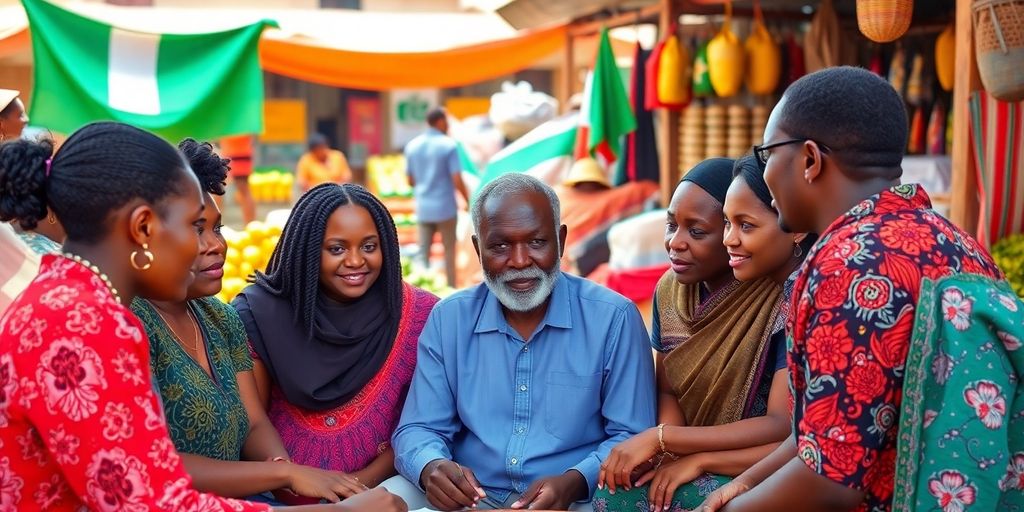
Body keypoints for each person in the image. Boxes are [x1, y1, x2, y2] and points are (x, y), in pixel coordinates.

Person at [0, 121, 407, 511]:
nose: (206, 246)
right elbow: (155, 503)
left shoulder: (72, 302)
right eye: (196, 225)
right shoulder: (83, 323)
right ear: (143, 227)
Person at [699, 66, 1004, 512]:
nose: (763, 174)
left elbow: (830, 481)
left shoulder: (845, 266)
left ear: (809, 160)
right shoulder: (961, 245)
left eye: (767, 155)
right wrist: (742, 486)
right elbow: (829, 430)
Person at [388, 172, 656, 511]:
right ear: (477, 248)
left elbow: (633, 435)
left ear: (561, 240)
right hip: (472, 497)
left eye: (536, 242)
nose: (519, 261)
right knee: (389, 497)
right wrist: (431, 467)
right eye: (500, 246)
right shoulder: (449, 318)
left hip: (577, 499)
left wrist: (575, 481)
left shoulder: (613, 318)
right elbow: (419, 426)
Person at [132, 139, 371, 504]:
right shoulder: (132, 323)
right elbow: (151, 463)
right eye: (198, 229)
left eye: (219, 227)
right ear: (148, 231)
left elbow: (254, 423)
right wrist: (285, 473)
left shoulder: (220, 318)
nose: (217, 245)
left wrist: (290, 479)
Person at [593, 157, 813, 512]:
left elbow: (781, 428)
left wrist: (670, 443)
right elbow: (667, 388)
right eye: (671, 225)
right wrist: (666, 453)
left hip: (756, 461)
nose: (675, 243)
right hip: (690, 450)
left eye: (696, 231)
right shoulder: (670, 293)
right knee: (614, 494)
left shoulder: (779, 297)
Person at [232, 183, 438, 491]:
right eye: (337, 249)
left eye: (369, 247)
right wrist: (288, 479)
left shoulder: (422, 315)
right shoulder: (257, 314)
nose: (355, 261)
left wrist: (354, 488)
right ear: (307, 251)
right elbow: (251, 422)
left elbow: (423, 424)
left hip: (387, 491)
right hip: (277, 493)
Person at [555, 157, 658, 276]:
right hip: (576, 263)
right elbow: (648, 190)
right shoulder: (611, 200)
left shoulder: (558, 196)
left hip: (565, 263)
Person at [404, 108, 470, 288]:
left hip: (423, 207)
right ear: (440, 121)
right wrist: (468, 200)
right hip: (445, 208)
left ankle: (421, 291)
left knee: (423, 252)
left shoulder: (412, 146)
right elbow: (456, 178)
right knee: (449, 251)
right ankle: (451, 288)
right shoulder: (448, 145)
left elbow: (410, 181)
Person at [220, 134, 257, 225]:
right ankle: (250, 224)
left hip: (237, 152)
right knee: (219, 187)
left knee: (243, 189)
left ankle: (250, 224)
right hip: (234, 152)